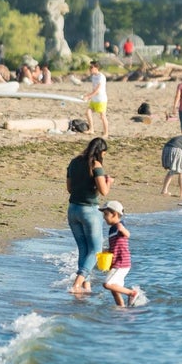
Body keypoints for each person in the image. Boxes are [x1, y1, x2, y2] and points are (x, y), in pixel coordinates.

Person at [65, 138, 112, 295]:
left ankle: (87, 286)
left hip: (73, 210)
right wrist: (108, 182)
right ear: (101, 152)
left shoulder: (74, 162)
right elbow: (104, 191)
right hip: (90, 211)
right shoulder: (96, 166)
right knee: (96, 250)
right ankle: (77, 284)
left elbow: (70, 188)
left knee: (83, 249)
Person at [99, 201, 141, 307]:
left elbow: (127, 234)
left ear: (114, 214)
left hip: (121, 262)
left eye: (106, 214)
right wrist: (107, 251)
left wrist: (122, 229)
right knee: (115, 289)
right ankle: (121, 308)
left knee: (107, 284)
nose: (104, 217)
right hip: (117, 262)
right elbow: (114, 245)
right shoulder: (112, 229)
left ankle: (132, 293)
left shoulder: (119, 225)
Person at [83, 59, 109, 137]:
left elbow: (97, 90)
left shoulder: (101, 77)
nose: (90, 69)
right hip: (94, 99)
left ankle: (106, 133)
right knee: (88, 112)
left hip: (101, 100)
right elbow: (93, 89)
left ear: (96, 68)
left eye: (91, 67)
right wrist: (88, 96)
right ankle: (91, 129)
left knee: (102, 116)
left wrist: (88, 96)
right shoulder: (94, 76)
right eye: (89, 67)